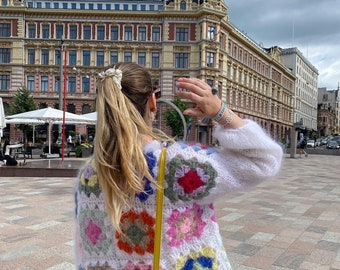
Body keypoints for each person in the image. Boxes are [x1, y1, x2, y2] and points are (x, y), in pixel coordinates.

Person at [74, 62, 283, 269]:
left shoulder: (89, 175)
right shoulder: (180, 168)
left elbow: (87, 254)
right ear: (152, 102)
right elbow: (264, 160)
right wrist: (221, 112)